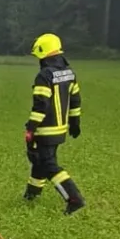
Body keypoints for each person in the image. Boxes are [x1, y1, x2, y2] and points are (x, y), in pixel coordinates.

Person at [23, 33, 85, 214]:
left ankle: (74, 199)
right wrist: (75, 122)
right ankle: (31, 194)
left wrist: (31, 128)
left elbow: (40, 105)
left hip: (45, 129)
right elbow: (75, 100)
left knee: (48, 164)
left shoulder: (44, 76)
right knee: (39, 161)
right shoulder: (69, 73)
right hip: (60, 129)